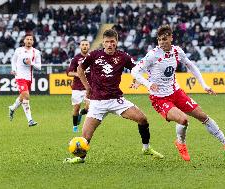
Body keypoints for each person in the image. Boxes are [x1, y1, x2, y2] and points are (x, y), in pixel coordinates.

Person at [131, 25, 225, 161]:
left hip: (176, 92)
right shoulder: (153, 54)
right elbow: (135, 71)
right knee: (183, 119)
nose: (161, 42)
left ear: (171, 38)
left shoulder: (177, 51)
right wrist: (147, 84)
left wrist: (204, 85)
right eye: (159, 40)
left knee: (203, 116)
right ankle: (180, 143)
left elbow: (191, 65)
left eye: (165, 39)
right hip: (160, 98)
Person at [63, 29, 163, 164]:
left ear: (116, 42)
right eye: (107, 42)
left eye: (112, 42)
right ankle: (81, 158)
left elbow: (136, 70)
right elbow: (80, 69)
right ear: (103, 43)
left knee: (143, 119)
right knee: (85, 137)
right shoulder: (94, 55)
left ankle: (146, 148)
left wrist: (137, 81)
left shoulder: (123, 57)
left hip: (117, 100)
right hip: (97, 102)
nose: (110, 44)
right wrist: (87, 87)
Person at [9, 33, 41, 126]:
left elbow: (39, 67)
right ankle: (30, 120)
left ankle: (12, 108)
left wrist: (31, 63)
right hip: (19, 77)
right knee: (26, 96)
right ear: (24, 40)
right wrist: (13, 69)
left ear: (33, 41)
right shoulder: (18, 50)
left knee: (23, 97)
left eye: (31, 39)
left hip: (29, 78)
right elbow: (13, 60)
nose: (29, 41)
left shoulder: (36, 52)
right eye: (27, 39)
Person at [66, 39, 90, 132]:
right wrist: (78, 74)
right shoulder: (76, 59)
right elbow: (69, 72)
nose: (84, 46)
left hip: (88, 88)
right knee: (76, 108)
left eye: (86, 45)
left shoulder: (92, 58)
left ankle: (81, 113)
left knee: (89, 107)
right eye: (83, 44)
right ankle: (75, 127)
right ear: (80, 46)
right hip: (77, 88)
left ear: (89, 46)